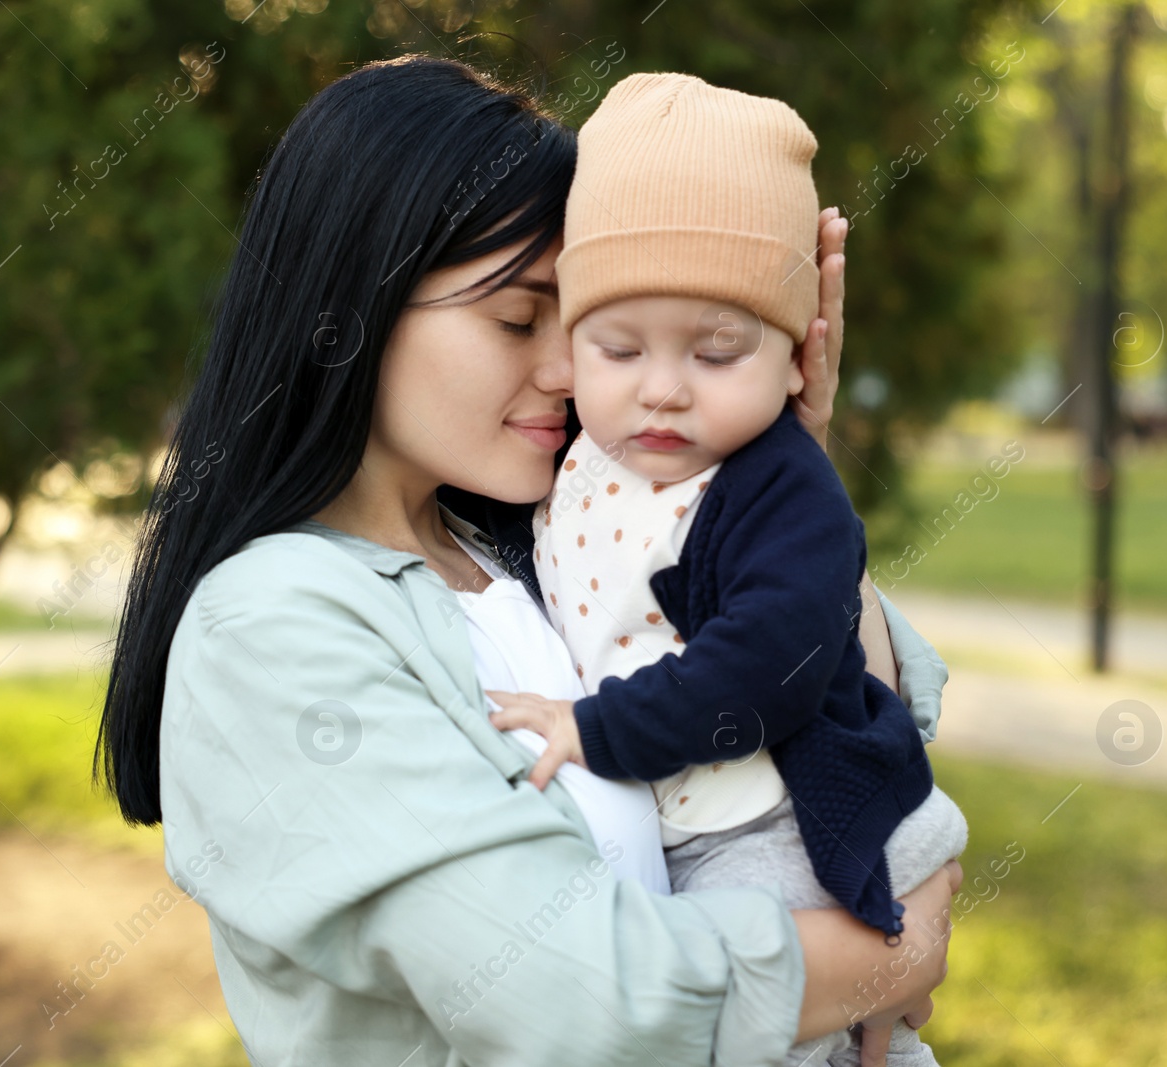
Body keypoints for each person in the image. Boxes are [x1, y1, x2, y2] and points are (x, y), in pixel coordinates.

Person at [96, 54, 961, 1067]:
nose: (566, 370)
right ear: (349, 311)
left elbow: (862, 710)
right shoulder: (271, 630)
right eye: (517, 316)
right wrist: (892, 951)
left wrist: (784, 465)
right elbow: (586, 1000)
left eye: (582, 321)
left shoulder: (545, 547)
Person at [482, 73, 968, 1067]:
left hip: (780, 816)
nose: (661, 388)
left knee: (747, 1030)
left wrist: (594, 728)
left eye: (717, 351)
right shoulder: (582, 450)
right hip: (697, 823)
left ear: (795, 359)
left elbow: (770, 660)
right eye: (617, 346)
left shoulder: (777, 485)